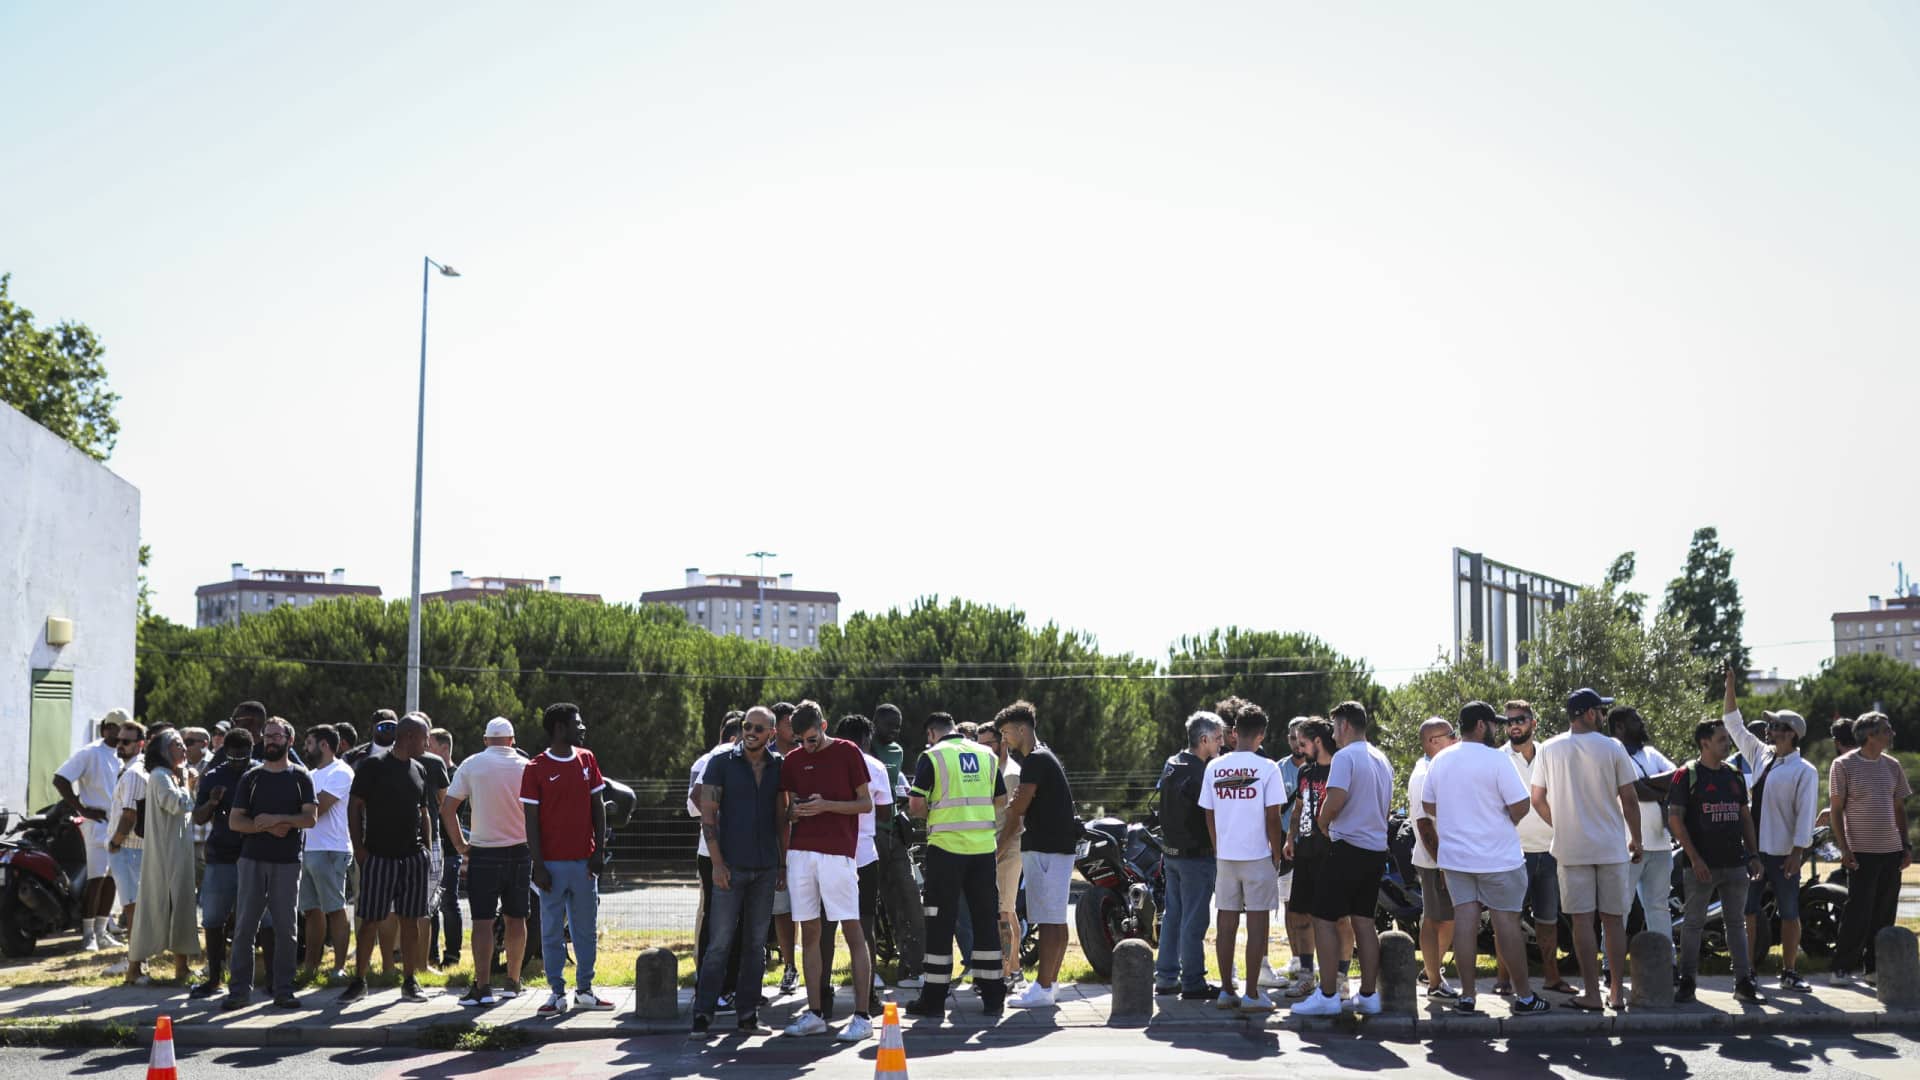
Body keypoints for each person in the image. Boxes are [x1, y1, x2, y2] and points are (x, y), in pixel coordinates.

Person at [1426, 702, 1550, 1016]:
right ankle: (1524, 997)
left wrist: (1458, 816)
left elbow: (1429, 804)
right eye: (1494, 724)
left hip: (1456, 858)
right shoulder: (1497, 760)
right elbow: (1522, 806)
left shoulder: (1441, 760)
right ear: (1481, 725)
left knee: (1465, 925)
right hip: (1498, 858)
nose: (1498, 730)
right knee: (1507, 925)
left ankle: (1467, 996)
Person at [1529, 688, 1643, 1012]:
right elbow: (1630, 799)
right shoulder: (1613, 747)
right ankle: (1617, 992)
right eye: (1601, 711)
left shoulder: (1549, 749)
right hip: (1610, 845)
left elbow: (1537, 798)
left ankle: (1591, 993)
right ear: (1590, 713)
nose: (1604, 717)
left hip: (1571, 847)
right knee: (1613, 920)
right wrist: (1637, 839)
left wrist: (1561, 824)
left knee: (1581, 921)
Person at [778, 700, 875, 1040]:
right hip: (800, 854)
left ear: (824, 725)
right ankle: (815, 1012)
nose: (807, 746)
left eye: (812, 738)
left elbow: (866, 803)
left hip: (838, 854)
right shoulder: (792, 761)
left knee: (852, 929)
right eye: (801, 741)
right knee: (810, 932)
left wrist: (826, 806)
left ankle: (862, 1017)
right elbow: (786, 810)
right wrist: (795, 813)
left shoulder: (849, 752)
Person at [900, 712, 1004, 1021]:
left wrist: (932, 810)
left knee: (940, 923)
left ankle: (933, 999)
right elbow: (1000, 800)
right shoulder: (986, 754)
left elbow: (917, 806)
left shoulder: (932, 756)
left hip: (947, 849)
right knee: (986, 920)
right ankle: (993, 995)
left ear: (932, 733)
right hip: (984, 849)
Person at [690, 705, 786, 1039]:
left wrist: (783, 864)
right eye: (747, 725)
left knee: (756, 945)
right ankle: (702, 1014)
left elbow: (781, 818)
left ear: (771, 734)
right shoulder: (721, 763)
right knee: (719, 943)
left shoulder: (779, 767)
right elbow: (708, 817)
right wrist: (716, 863)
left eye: (759, 728)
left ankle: (747, 1015)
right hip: (729, 868)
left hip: (765, 868)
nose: (751, 732)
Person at [1720, 668, 1819, 990]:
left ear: (1791, 733)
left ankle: (1789, 971)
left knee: (1790, 912)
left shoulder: (1805, 771)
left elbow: (1805, 814)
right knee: (1747, 910)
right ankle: (1746, 970)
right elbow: (1733, 722)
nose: (1768, 730)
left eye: (1775, 726)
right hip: (1752, 850)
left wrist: (1798, 851)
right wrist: (1730, 686)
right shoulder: (1760, 755)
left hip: (1782, 853)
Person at [1292, 701, 1392, 1017]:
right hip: (1375, 849)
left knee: (1323, 918)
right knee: (1364, 921)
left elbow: (1333, 802)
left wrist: (1323, 824)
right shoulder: (1381, 757)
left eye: (1335, 727)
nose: (1333, 733)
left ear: (1345, 725)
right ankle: (1368, 994)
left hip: (1347, 846)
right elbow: (1386, 809)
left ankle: (1328, 995)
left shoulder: (1346, 757)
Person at [522, 703, 616, 1014]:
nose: (583, 727)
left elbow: (598, 807)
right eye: (578, 723)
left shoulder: (587, 759)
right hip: (551, 866)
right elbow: (530, 822)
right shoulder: (535, 768)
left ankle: (585, 990)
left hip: (585, 864)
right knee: (551, 930)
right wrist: (538, 866)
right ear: (560, 728)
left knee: (585, 930)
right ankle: (556, 993)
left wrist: (598, 852)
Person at [1665, 717, 1766, 1003]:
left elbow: (1744, 817)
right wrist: (1694, 858)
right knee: (1693, 923)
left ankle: (1744, 982)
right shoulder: (1687, 775)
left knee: (1736, 923)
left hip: (1735, 863)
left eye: (1727, 739)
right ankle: (1687, 982)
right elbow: (1675, 819)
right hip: (1700, 866)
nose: (1727, 744)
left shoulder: (1733, 775)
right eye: (1721, 739)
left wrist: (1754, 854)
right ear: (1704, 742)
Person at [225, 717, 318, 1011]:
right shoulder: (251, 778)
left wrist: (281, 820)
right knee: (244, 928)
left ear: (289, 740)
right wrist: (263, 827)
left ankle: (284, 990)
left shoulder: (301, 777)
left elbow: (310, 819)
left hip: (287, 862)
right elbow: (235, 821)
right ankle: (239, 991)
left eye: (277, 736)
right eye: (267, 736)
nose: (271, 740)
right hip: (251, 860)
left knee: (286, 928)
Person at [341, 713, 435, 1005]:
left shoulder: (420, 769)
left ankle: (409, 981)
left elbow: (424, 813)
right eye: (424, 738)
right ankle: (359, 981)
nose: (428, 743)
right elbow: (355, 807)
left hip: (412, 859)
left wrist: (427, 851)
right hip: (378, 857)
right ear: (408, 737)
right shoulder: (373, 766)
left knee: (411, 921)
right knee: (370, 920)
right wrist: (359, 848)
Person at [1199, 704, 1285, 1012]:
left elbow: (1208, 813)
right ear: (1261, 735)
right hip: (1258, 854)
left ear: (1235, 732)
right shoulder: (1268, 767)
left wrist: (1218, 846)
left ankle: (1226, 990)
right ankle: (1251, 993)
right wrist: (1276, 852)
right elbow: (1273, 817)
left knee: (1226, 923)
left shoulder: (1214, 767)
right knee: (1258, 925)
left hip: (1226, 856)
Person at [444, 716, 533, 1007]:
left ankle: (482, 987)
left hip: (483, 851)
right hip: (520, 850)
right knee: (516, 918)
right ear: (512, 740)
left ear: (485, 740)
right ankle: (513, 981)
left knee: (482, 921)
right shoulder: (525, 766)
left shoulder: (471, 764)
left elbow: (448, 809)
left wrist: (460, 845)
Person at [998, 700, 1077, 1009]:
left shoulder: (1034, 761)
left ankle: (1042, 987)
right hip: (1056, 847)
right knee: (1055, 920)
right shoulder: (1045, 757)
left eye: (1006, 733)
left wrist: (1015, 802)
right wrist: (1017, 801)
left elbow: (1018, 807)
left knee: (1047, 920)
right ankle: (1050, 984)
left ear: (1021, 729)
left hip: (1045, 847)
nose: (1005, 740)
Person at [814, 714, 891, 1019]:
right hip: (864, 856)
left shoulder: (824, 764)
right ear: (867, 739)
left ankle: (821, 996)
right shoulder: (876, 766)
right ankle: (868, 995)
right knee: (864, 928)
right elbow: (884, 813)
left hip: (828, 854)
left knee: (825, 929)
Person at [1828, 710, 1912, 983]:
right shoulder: (1842, 765)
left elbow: (1899, 808)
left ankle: (1873, 968)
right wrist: (1845, 849)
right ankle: (1841, 967)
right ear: (1870, 735)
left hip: (1891, 852)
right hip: (1861, 852)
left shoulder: (1893, 766)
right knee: (1858, 912)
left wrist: (1905, 846)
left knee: (1884, 913)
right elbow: (1836, 811)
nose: (1892, 734)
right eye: (1887, 730)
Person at [1499, 700, 1568, 996]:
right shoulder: (1497, 758)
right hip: (1512, 853)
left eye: (1521, 719)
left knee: (1548, 920)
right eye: (1509, 720)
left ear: (1533, 723)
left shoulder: (1550, 756)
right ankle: (1503, 981)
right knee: (1508, 919)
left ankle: (1552, 977)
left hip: (1551, 850)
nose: (1514, 724)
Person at [1154, 711, 1221, 1000]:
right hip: (1196, 857)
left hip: (1171, 854)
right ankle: (1193, 982)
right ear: (1203, 739)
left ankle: (1167, 977)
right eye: (1218, 738)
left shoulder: (1172, 763)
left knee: (1173, 916)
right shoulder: (1200, 772)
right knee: (1194, 920)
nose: (1222, 744)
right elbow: (1211, 813)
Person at [1282, 718, 1351, 1000]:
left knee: (1339, 919)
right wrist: (1290, 837)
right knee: (1300, 914)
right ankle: (1307, 975)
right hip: (1306, 853)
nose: (1299, 747)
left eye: (1303, 742)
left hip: (1333, 853)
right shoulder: (1305, 772)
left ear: (1317, 741)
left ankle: (1341, 978)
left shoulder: (1340, 768)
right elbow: (1298, 808)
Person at [126, 730, 200, 986]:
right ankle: (133, 970)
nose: (183, 748)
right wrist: (188, 787)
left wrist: (185, 783)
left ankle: (182, 968)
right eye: (177, 744)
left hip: (178, 853)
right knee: (154, 907)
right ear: (164, 751)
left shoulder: (172, 775)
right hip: (165, 855)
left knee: (181, 907)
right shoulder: (159, 777)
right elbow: (177, 805)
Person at [54, 711, 126, 950]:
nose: (117, 732)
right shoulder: (90, 752)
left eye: (122, 727)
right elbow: (61, 779)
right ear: (105, 728)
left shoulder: (124, 756)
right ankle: (88, 934)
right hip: (97, 822)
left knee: (112, 878)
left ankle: (102, 930)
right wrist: (81, 808)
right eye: (113, 727)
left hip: (118, 823)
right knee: (96, 879)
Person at [189, 727, 253, 998]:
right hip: (221, 857)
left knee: (251, 922)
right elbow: (199, 818)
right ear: (225, 753)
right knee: (213, 920)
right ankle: (214, 978)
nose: (239, 761)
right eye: (234, 756)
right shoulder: (214, 776)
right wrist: (213, 802)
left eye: (244, 756)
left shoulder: (259, 773)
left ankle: (263, 980)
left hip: (252, 856)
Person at [689, 713, 744, 1013]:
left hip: (715, 851)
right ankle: (716, 989)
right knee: (718, 923)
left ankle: (722, 987)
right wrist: (726, 818)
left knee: (721, 920)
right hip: (716, 852)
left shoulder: (705, 759)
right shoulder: (718, 758)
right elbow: (695, 800)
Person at [1609, 705, 1677, 949]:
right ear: (1620, 726)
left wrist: (1644, 785)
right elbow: (1633, 791)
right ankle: (1609, 966)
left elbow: (1677, 778)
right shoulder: (1613, 754)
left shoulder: (1650, 753)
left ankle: (1666, 964)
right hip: (1627, 845)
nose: (1642, 724)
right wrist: (1655, 789)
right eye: (1636, 721)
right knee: (1620, 908)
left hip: (1660, 844)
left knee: (1659, 907)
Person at [870, 703, 925, 990]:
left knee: (908, 898)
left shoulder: (898, 751)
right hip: (869, 836)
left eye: (898, 726)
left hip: (894, 835)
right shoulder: (866, 749)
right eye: (888, 724)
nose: (894, 730)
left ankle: (913, 967)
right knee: (868, 905)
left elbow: (893, 789)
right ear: (874, 723)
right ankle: (869, 970)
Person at [1407, 716, 1459, 1001]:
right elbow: (1424, 824)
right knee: (1434, 919)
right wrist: (1442, 863)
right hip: (1434, 860)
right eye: (1451, 734)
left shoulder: (1438, 767)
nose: (1456, 739)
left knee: (1447, 919)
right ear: (1433, 742)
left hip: (1444, 858)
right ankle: (1434, 982)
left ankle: (1431, 972)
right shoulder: (1424, 774)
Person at [298, 724, 354, 981]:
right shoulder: (309, 774)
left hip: (332, 850)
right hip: (309, 849)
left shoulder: (341, 772)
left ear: (323, 745)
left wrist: (287, 814)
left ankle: (339, 968)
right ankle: (310, 966)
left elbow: (318, 808)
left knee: (334, 909)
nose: (305, 748)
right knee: (311, 910)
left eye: (309, 742)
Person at [976, 721, 1024, 987]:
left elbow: (1015, 822)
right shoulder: (991, 769)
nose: (984, 749)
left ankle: (1005, 975)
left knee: (1003, 915)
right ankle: (1014, 969)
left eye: (989, 744)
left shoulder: (1010, 774)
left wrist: (997, 854)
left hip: (1007, 850)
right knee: (1009, 911)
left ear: (1003, 743)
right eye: (979, 744)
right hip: (993, 848)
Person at [104, 720, 148, 964]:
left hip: (128, 848)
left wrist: (115, 842)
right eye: (118, 740)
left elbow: (130, 814)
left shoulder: (132, 773)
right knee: (134, 908)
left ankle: (135, 963)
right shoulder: (132, 769)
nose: (119, 745)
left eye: (126, 742)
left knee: (132, 909)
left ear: (140, 744)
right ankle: (137, 960)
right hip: (132, 848)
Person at [768, 700, 802, 996]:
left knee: (810, 910)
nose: (795, 729)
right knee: (782, 910)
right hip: (776, 847)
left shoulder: (809, 754)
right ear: (776, 727)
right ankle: (789, 966)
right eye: (790, 723)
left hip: (809, 844)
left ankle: (818, 971)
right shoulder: (765, 760)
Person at [1277, 717, 1312, 984]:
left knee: (1313, 907)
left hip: (1313, 844)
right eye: (1291, 738)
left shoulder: (1321, 767)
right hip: (1287, 846)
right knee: (1290, 905)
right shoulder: (1278, 769)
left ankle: (1312, 961)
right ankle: (1296, 958)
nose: (1296, 744)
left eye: (1300, 739)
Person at [428, 726, 461, 970]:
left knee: (448, 903)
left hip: (449, 850)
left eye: (430, 744)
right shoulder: (428, 771)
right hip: (431, 847)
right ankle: (431, 956)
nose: (426, 748)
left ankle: (452, 956)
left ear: (445, 748)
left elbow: (449, 810)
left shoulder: (457, 775)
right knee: (429, 905)